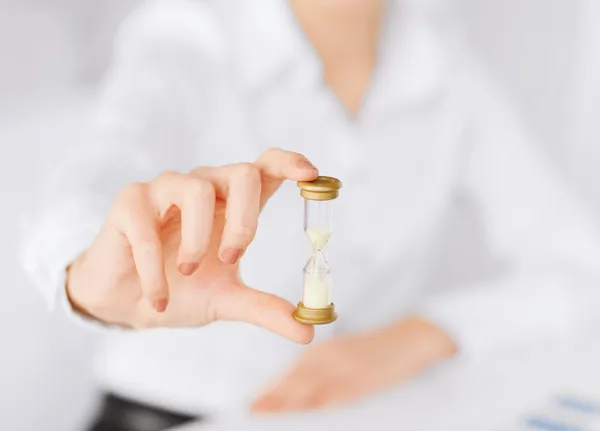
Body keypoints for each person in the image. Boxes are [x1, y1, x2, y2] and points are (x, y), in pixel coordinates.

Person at [20, 0, 600, 430]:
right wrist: (84, 272)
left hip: (351, 412)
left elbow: (580, 264)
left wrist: (423, 334)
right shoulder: (192, 36)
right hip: (168, 413)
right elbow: (98, 163)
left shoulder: (444, 64)